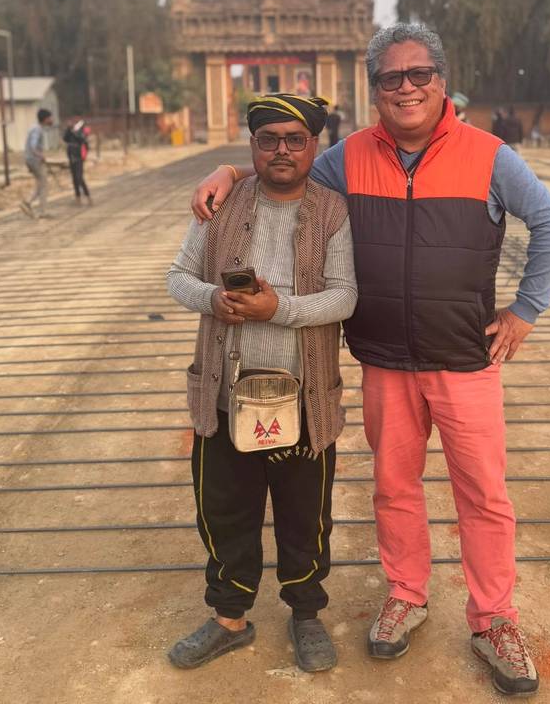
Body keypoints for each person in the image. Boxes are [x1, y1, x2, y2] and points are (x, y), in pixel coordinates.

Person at [189, 24, 550, 697]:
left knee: (482, 494)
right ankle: (406, 593)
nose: (406, 87)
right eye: (391, 78)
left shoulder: (489, 157)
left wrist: (525, 311)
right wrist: (232, 171)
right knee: (395, 487)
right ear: (375, 91)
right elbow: (287, 166)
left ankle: (494, 617)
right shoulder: (349, 158)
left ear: (441, 81)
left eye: (418, 73)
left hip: (465, 359)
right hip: (385, 361)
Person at [166, 94, 357, 674]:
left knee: (304, 513)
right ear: (252, 146)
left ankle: (306, 615)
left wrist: (277, 309)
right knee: (225, 509)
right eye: (268, 139)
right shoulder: (220, 206)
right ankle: (229, 617)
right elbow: (178, 276)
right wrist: (213, 300)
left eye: (295, 140)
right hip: (225, 396)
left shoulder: (332, 212)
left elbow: (345, 294)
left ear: (313, 147)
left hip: (302, 397)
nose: (281, 150)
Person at [20, 107, 53, 219]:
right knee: (43, 185)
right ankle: (42, 211)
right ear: (45, 119)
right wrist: (41, 155)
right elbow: (33, 146)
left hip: (31, 160)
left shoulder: (35, 128)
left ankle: (28, 203)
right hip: (35, 161)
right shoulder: (37, 130)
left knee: (40, 183)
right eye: (50, 118)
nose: (51, 120)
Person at [63, 118, 92, 205]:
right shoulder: (70, 133)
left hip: (79, 158)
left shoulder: (81, 133)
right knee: (74, 179)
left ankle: (88, 196)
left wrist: (73, 131)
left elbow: (81, 139)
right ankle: (78, 197)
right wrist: (68, 129)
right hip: (71, 157)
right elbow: (65, 138)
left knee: (79, 178)